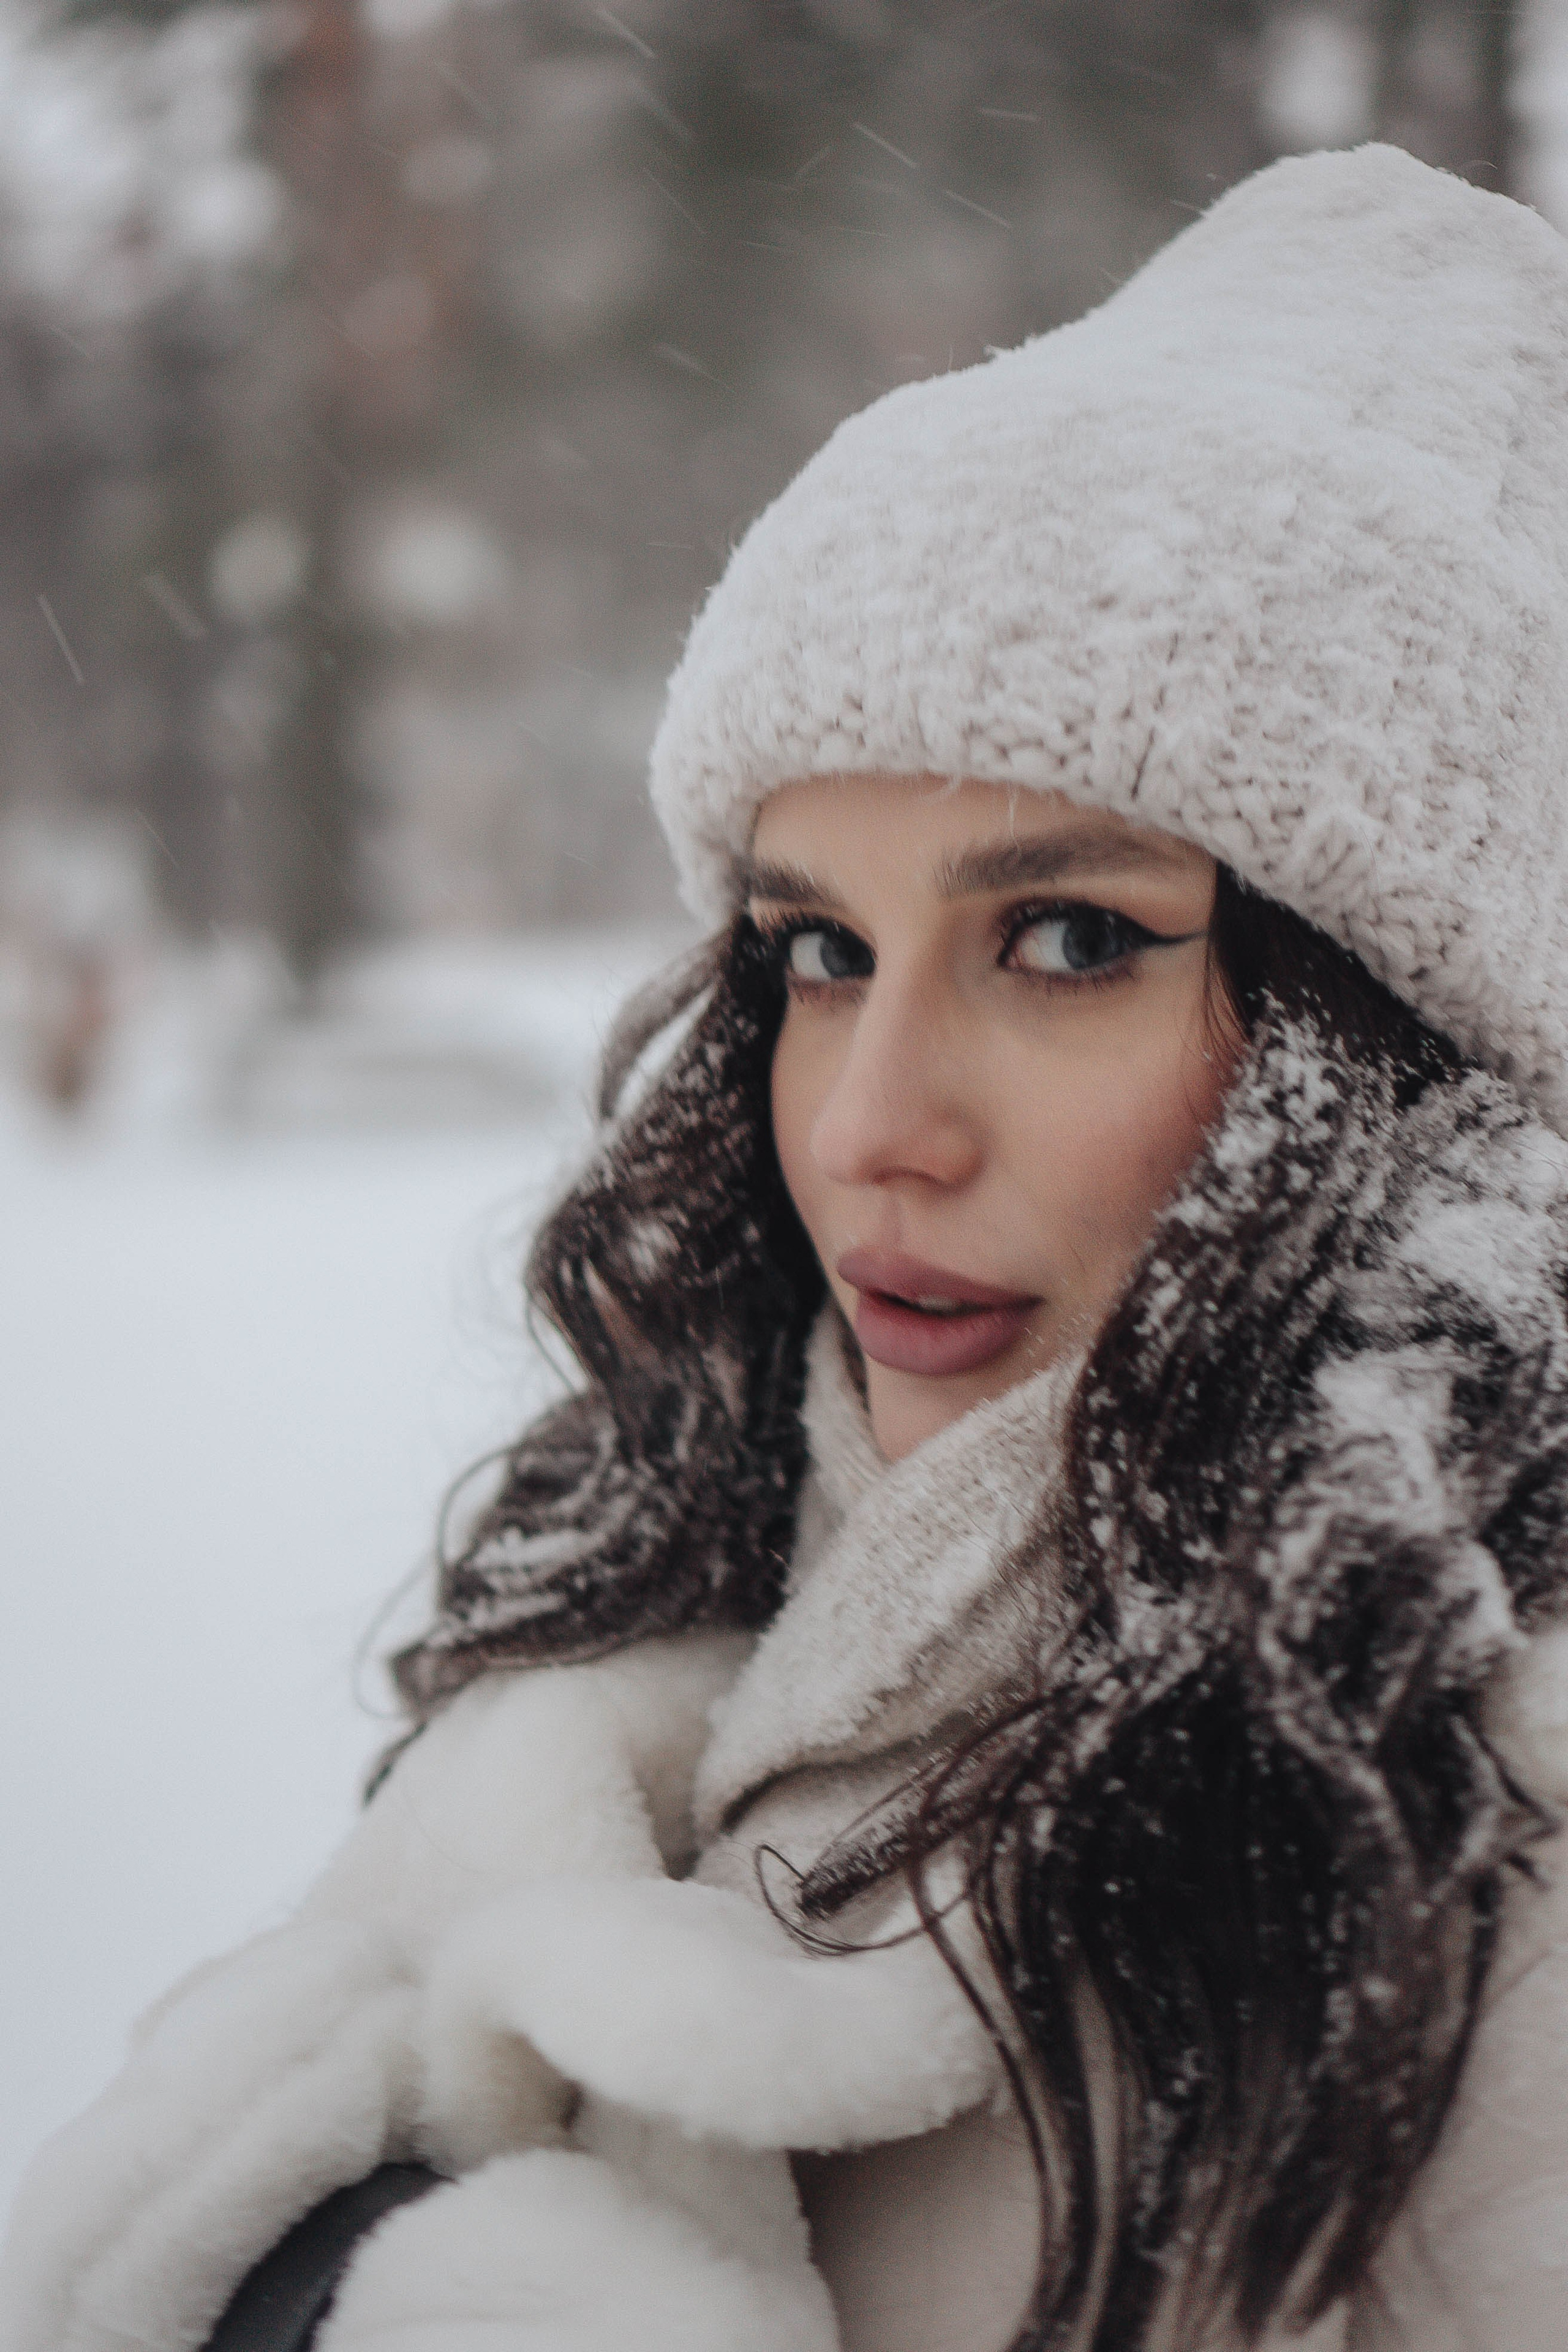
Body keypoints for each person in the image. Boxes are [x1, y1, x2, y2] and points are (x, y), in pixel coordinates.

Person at [8, 140, 1568, 2352]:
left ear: (1413, 1041)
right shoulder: (680, 1601)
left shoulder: (1479, 1904)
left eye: (1064, 935)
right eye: (821, 948)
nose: (865, 1126)